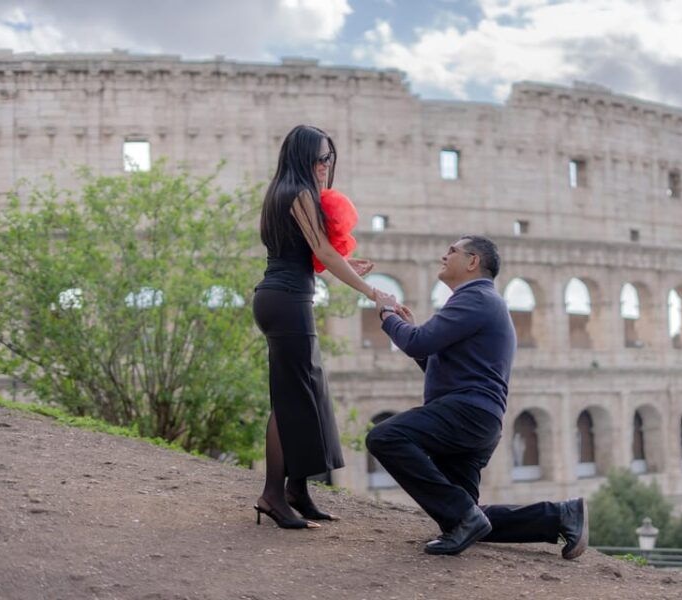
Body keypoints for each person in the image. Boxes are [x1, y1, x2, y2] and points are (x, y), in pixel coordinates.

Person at [365, 235, 588, 557]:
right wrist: (408, 328)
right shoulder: (478, 301)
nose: (444, 256)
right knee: (460, 516)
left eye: (451, 251)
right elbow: (431, 359)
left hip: (467, 412)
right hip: (476, 417)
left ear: (472, 262)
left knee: (386, 438)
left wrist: (388, 316)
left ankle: (466, 518)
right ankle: (561, 516)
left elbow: (417, 342)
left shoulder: (476, 298)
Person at [252, 124, 376, 529]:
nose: (326, 166)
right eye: (320, 158)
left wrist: (348, 267)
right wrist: (373, 292)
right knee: (292, 399)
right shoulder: (298, 192)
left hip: (285, 297)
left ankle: (297, 490)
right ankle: (273, 494)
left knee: (307, 393)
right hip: (286, 302)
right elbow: (323, 249)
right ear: (302, 158)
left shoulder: (280, 192)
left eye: (330, 158)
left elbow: (305, 255)